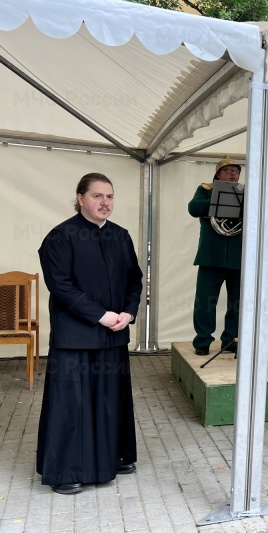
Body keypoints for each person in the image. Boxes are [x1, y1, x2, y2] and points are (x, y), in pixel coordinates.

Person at [37, 172, 143, 495]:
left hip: (113, 335)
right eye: (98, 196)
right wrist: (101, 315)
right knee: (72, 405)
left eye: (110, 196)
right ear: (81, 198)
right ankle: (66, 471)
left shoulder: (121, 236)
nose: (105, 203)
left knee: (111, 401)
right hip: (75, 339)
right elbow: (62, 287)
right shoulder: (60, 236)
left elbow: (134, 280)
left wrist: (128, 311)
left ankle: (114, 457)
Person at [188, 156, 243, 356]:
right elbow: (193, 208)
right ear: (218, 174)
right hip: (211, 256)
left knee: (237, 303)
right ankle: (202, 341)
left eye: (236, 171)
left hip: (239, 258)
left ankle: (232, 339)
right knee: (206, 302)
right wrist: (219, 197)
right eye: (228, 170)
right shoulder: (205, 189)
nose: (233, 174)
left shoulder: (245, 192)